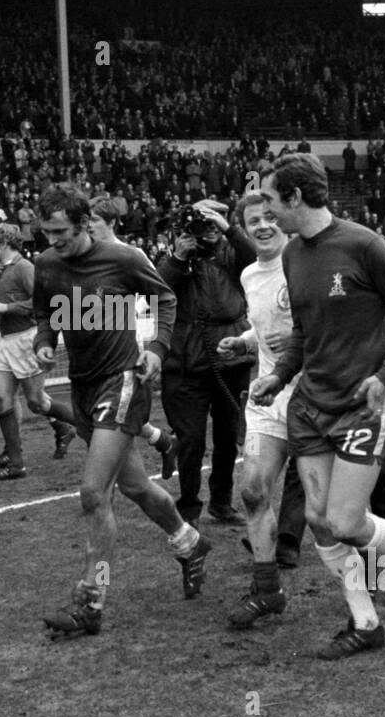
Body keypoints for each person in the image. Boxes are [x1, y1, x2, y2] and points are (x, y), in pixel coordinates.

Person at [250, 153, 385, 660]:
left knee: (349, 522)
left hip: (361, 404)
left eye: (270, 201)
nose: (265, 214)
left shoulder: (364, 245)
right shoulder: (292, 255)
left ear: (294, 198)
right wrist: (279, 376)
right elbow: (305, 332)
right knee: (319, 519)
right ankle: (365, 622)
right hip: (310, 405)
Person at [219, 193, 385, 624]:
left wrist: (383, 373)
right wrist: (247, 342)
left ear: (288, 216)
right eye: (254, 220)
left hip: (333, 391)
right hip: (273, 392)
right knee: (254, 491)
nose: (264, 225)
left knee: (371, 497)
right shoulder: (250, 274)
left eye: (271, 216)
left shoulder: (313, 256)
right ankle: (267, 588)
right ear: (245, 229)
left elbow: (342, 318)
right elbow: (265, 323)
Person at [34, 186, 210, 640]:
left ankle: (91, 602)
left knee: (94, 493)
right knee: (135, 486)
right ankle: (190, 543)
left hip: (123, 379)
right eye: (47, 231)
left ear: (84, 224)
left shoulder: (124, 258)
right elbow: (45, 313)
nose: (54, 240)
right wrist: (44, 344)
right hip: (83, 386)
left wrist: (156, 348)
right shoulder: (47, 265)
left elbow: (166, 298)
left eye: (62, 232)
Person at [155, 198, 256, 527]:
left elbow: (256, 260)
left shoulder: (233, 253)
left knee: (228, 436)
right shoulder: (177, 256)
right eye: (203, 223)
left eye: (215, 223)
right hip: (185, 363)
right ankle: (188, 507)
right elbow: (154, 291)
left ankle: (222, 503)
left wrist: (231, 231)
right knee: (191, 440)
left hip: (232, 359)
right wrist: (177, 258)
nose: (208, 230)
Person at [0, 222, 77, 480]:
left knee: (37, 402)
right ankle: (16, 463)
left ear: (5, 244)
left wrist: (5, 308)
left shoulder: (24, 268)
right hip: (6, 340)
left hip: (25, 339)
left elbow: (41, 302)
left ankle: (81, 427)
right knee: (1, 400)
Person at [85, 196, 180, 478]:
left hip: (125, 348)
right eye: (86, 220)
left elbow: (156, 297)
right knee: (105, 416)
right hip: (94, 351)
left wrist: (153, 345)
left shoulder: (130, 256)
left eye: (95, 220)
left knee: (115, 417)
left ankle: (106, 487)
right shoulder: (83, 258)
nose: (88, 226)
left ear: (112, 222)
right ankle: (161, 442)